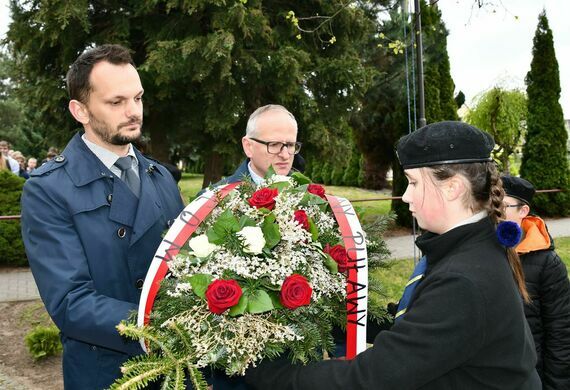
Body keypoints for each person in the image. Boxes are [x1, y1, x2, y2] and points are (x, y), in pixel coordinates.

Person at [245, 121, 540, 389]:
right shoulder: (472, 250)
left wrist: (269, 374)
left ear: (452, 187)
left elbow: (369, 378)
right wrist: (334, 315)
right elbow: (417, 326)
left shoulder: (463, 280)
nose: (407, 196)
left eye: (413, 183)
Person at [20, 44, 184, 389]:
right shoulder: (48, 189)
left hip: (178, 371)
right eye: (116, 102)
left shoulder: (161, 176)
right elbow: (70, 302)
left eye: (137, 98)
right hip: (107, 373)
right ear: (80, 110)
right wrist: (160, 325)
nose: (133, 111)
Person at [501, 175, 570, 390]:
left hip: (531, 377)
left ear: (523, 211)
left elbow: (560, 334)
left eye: (503, 206)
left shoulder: (548, 264)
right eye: (490, 204)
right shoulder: (479, 250)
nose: (494, 213)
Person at [209, 104, 302, 188]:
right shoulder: (212, 200)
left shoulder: (311, 195)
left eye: (290, 145)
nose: (285, 156)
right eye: (274, 145)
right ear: (248, 147)